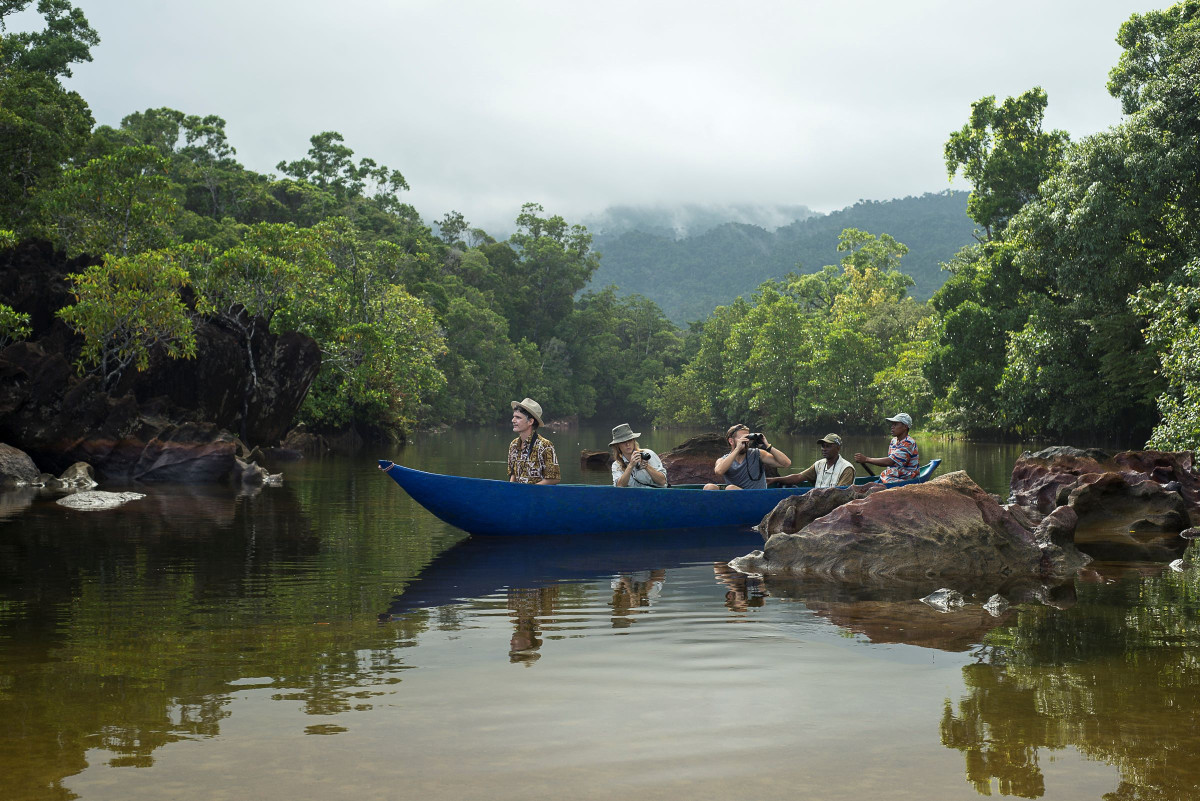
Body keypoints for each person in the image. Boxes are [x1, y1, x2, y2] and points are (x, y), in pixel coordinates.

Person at [703, 424, 791, 490]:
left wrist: (767, 445)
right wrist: (737, 449)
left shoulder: (757, 454)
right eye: (742, 439)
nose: (746, 442)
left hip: (756, 498)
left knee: (730, 489)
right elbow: (719, 471)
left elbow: (786, 463)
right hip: (736, 499)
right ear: (731, 441)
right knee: (709, 487)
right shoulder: (723, 460)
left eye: (747, 438)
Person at [770, 433, 856, 488]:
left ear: (838, 448)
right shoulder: (819, 464)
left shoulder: (846, 468)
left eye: (828, 446)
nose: (824, 449)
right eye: (823, 446)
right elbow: (799, 477)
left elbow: (841, 494)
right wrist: (775, 479)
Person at [507, 397, 560, 485]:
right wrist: (510, 490)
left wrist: (530, 491)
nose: (513, 420)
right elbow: (513, 475)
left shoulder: (545, 445)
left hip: (538, 497)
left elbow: (554, 478)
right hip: (519, 496)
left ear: (530, 421)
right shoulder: (513, 445)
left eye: (518, 417)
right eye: (513, 417)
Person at [854, 412, 919, 483]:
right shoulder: (894, 441)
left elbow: (890, 461)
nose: (892, 427)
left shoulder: (908, 442)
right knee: (870, 485)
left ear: (905, 427)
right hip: (892, 476)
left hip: (906, 478)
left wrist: (866, 459)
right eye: (892, 424)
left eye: (895, 424)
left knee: (872, 487)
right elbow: (892, 464)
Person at [609, 423, 667, 488]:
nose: (627, 444)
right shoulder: (616, 465)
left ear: (633, 441)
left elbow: (662, 481)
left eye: (630, 440)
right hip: (635, 497)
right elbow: (620, 486)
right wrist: (630, 466)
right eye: (623, 442)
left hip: (657, 495)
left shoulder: (648, 454)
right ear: (617, 445)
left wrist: (647, 466)